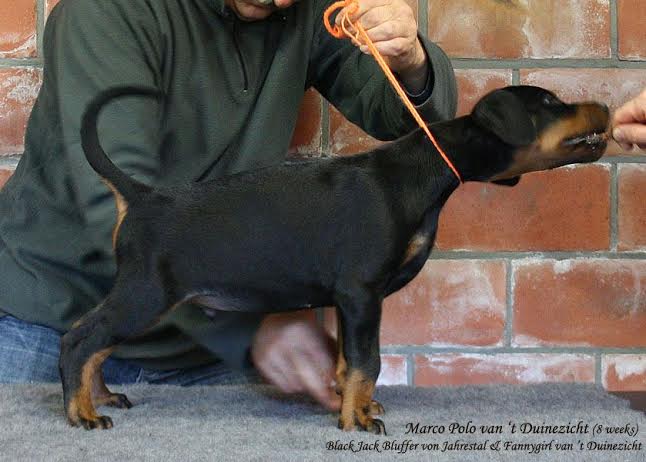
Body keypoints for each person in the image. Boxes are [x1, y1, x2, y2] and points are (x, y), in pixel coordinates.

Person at [0, 0, 456, 409]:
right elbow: (121, 215)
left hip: (206, 351)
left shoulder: (305, 10)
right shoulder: (105, 11)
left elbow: (415, 125)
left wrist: (411, 62)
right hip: (52, 328)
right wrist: (250, 331)